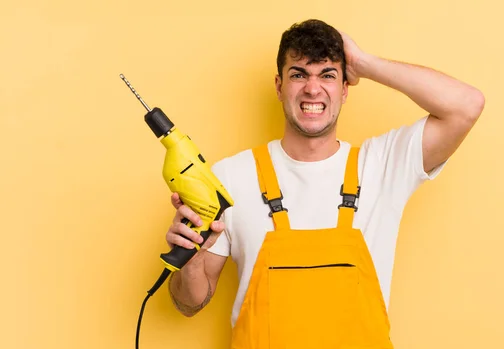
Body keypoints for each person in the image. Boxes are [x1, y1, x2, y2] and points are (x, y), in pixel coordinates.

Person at [166, 19, 484, 348]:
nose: (312, 89)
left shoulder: (381, 166)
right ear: (279, 86)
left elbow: (466, 106)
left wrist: (363, 64)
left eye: (328, 75)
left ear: (345, 89)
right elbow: (190, 303)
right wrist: (190, 261)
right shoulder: (231, 177)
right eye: (299, 74)